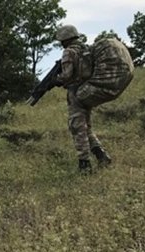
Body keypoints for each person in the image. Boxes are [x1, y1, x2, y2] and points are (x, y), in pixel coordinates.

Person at [54, 24, 134, 172]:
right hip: (88, 90)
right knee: (86, 126)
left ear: (64, 39)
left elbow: (67, 76)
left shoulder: (69, 52)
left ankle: (84, 164)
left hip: (77, 93)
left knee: (77, 127)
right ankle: (101, 155)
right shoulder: (86, 49)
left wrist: (56, 80)